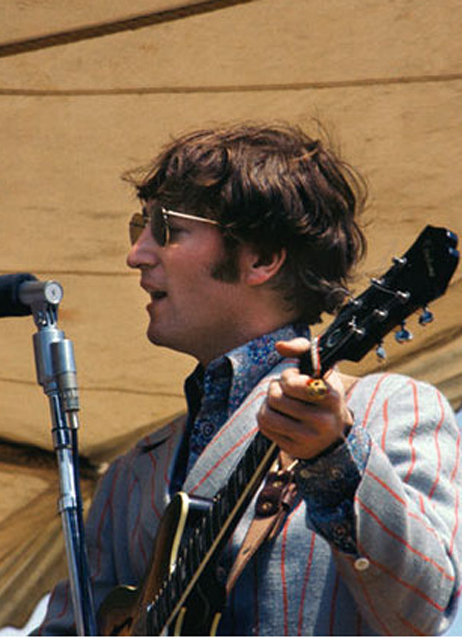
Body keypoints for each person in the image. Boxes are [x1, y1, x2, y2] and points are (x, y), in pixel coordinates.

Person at [35, 123, 461, 635]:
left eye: (166, 229)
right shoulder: (131, 474)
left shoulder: (391, 409)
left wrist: (336, 459)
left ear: (260, 257)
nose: (136, 255)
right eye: (138, 228)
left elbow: (421, 611)